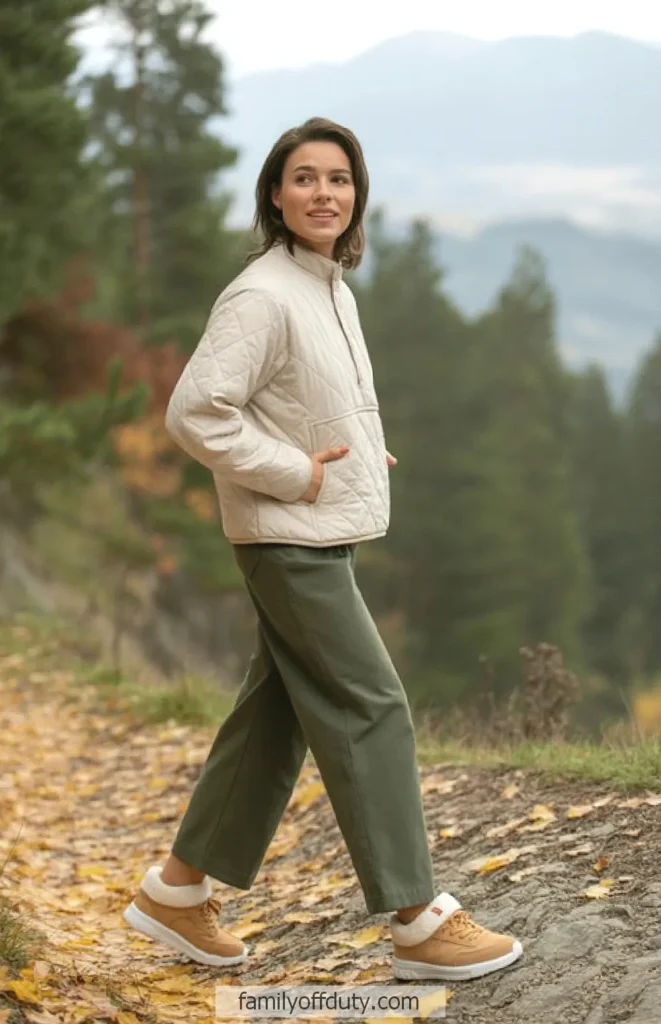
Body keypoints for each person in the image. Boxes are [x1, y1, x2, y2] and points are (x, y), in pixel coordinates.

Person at [123, 117, 523, 982]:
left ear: (356, 194)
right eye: (303, 178)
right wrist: (295, 473)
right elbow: (197, 413)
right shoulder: (262, 293)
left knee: (275, 716)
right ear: (275, 193)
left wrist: (341, 454)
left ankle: (177, 893)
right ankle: (419, 920)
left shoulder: (329, 286)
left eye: (338, 179)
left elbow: (298, 402)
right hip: (285, 537)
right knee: (372, 702)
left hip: (314, 529)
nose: (323, 194)